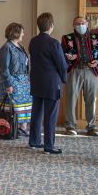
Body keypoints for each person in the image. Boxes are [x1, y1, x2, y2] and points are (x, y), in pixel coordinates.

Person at [28, 12, 67, 154]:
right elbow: (62, 65)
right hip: (51, 83)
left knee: (36, 113)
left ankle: (34, 141)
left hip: (36, 81)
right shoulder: (54, 43)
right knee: (50, 115)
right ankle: (49, 146)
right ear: (51, 26)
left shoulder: (33, 41)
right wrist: (64, 79)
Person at [61, 16, 98, 136]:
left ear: (87, 24)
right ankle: (70, 126)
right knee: (71, 99)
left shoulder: (96, 37)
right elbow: (61, 55)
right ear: (73, 25)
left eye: (82, 23)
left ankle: (92, 127)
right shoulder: (67, 38)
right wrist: (67, 57)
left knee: (91, 100)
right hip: (75, 71)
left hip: (92, 72)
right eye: (77, 23)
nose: (80, 25)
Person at [0, 22, 32, 136]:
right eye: (22, 32)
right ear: (16, 33)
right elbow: (4, 68)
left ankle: (22, 128)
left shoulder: (20, 46)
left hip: (23, 82)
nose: (23, 34)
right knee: (13, 107)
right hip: (12, 81)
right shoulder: (6, 47)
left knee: (25, 105)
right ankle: (12, 127)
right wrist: (8, 84)